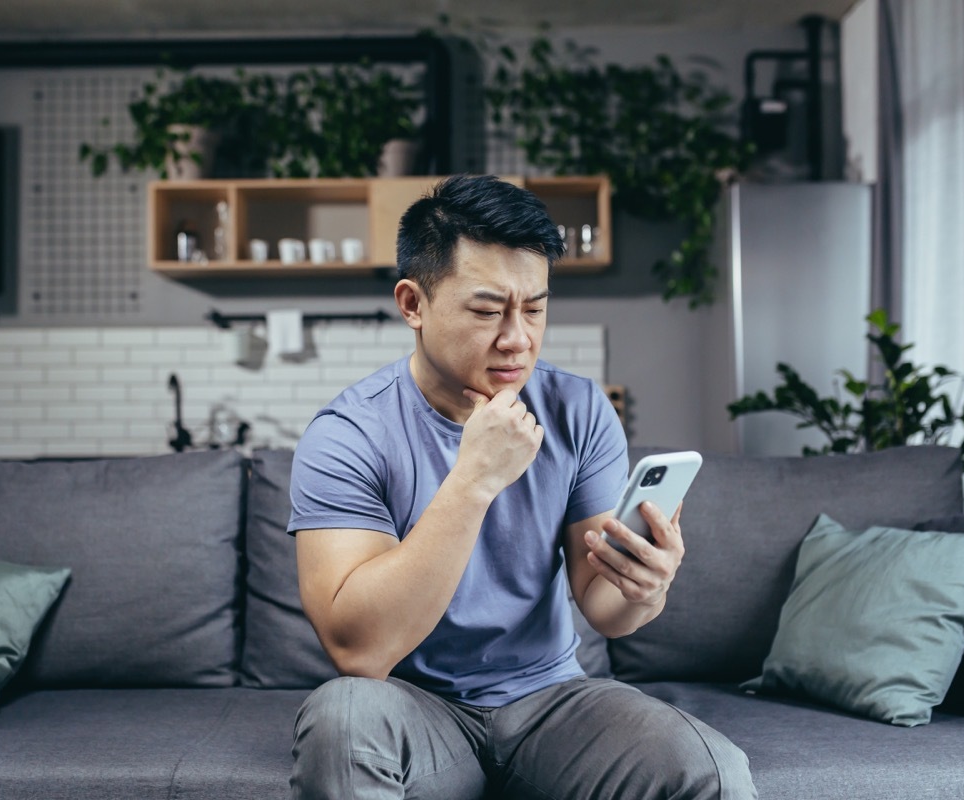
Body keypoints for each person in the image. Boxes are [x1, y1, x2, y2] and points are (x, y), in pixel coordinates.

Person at [287, 174, 757, 800]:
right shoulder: (348, 434)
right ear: (412, 304)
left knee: (710, 769)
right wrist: (474, 479)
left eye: (533, 308)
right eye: (486, 311)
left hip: (551, 702)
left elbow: (602, 607)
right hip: (415, 711)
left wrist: (647, 589)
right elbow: (360, 652)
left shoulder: (578, 409)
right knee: (342, 715)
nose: (518, 338)